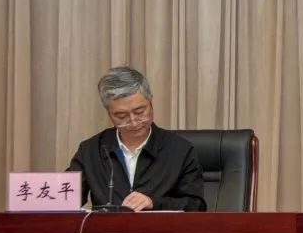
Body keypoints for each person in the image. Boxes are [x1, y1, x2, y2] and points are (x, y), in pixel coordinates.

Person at [68, 66, 205, 212]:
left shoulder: (180, 150)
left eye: (140, 111)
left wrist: (154, 203)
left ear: (150, 101)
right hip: (107, 227)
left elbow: (196, 206)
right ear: (109, 114)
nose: (133, 122)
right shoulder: (90, 150)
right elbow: (65, 199)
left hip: (159, 227)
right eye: (121, 116)